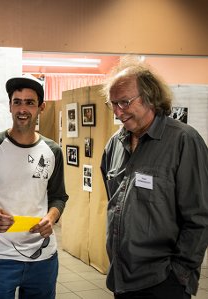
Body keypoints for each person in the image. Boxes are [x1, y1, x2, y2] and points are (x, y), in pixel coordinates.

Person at [100, 56, 208, 299]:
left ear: (149, 97)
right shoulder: (114, 145)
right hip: (121, 276)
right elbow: (115, 202)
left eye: (124, 102)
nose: (118, 112)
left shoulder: (183, 140)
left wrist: (179, 274)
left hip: (163, 280)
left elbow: (199, 217)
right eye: (113, 104)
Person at [0, 74, 68, 299]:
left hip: (43, 258)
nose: (23, 109)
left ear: (40, 107)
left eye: (30, 103)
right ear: (10, 106)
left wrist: (51, 218)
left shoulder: (53, 151)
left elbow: (59, 196)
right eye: (17, 102)